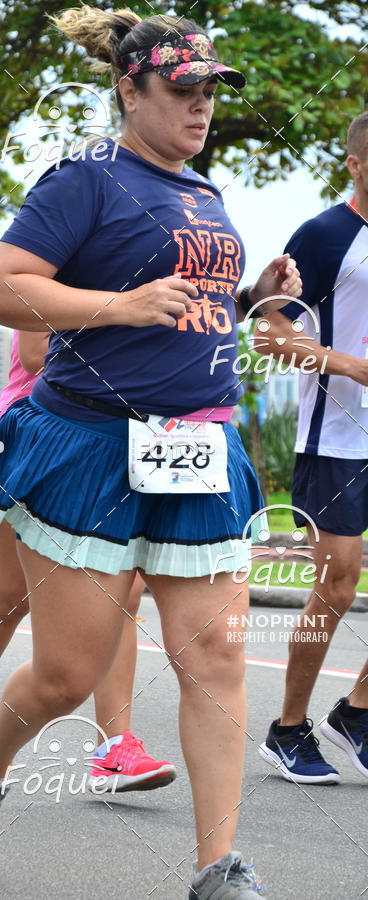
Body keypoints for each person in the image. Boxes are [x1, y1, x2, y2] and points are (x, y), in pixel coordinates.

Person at [0, 8, 301, 899]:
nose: (201, 106)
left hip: (198, 446)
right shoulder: (83, 180)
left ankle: (218, 871)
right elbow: (0, 290)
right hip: (92, 448)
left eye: (211, 89)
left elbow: (190, 305)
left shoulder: (207, 193)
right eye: (181, 89)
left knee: (215, 657)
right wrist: (119, 305)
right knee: (68, 674)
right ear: (127, 88)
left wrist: (255, 294)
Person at [0, 328, 176, 793]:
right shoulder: (53, 267)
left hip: (118, 444)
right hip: (32, 435)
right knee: (12, 594)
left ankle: (114, 747)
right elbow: (33, 354)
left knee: (122, 593)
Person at [256, 110, 368, 784]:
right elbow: (268, 333)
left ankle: (357, 712)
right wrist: (349, 365)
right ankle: (288, 728)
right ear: (355, 162)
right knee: (338, 581)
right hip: (336, 439)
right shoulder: (326, 236)